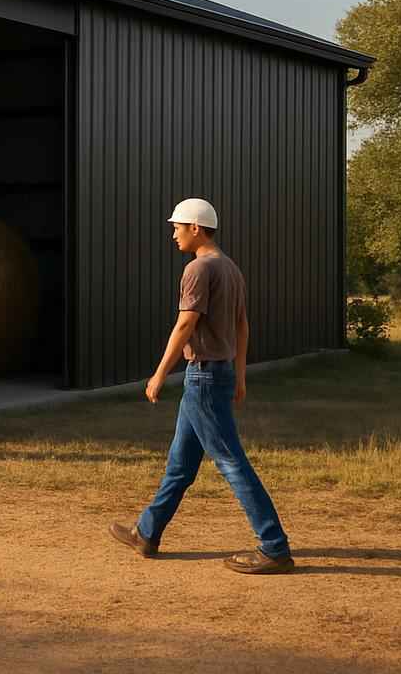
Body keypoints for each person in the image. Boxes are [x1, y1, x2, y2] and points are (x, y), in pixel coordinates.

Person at [109, 198, 295, 574]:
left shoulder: (198, 269)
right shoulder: (231, 269)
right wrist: (240, 375)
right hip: (219, 373)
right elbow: (242, 327)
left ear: (196, 228)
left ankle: (274, 547)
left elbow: (185, 324)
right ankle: (147, 532)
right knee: (180, 465)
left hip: (204, 377)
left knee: (230, 462)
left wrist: (161, 373)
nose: (173, 233)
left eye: (177, 226)